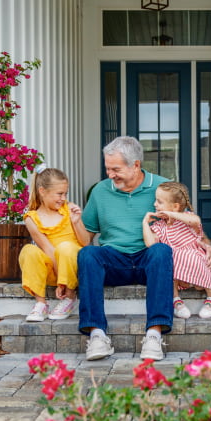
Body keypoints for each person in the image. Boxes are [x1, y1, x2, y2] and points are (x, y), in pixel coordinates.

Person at [78, 136, 174, 362]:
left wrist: (204, 246)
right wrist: (75, 221)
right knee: (88, 254)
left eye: (116, 169)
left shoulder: (163, 187)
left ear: (136, 165)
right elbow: (86, 239)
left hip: (147, 259)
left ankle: (154, 334)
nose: (110, 174)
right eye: (108, 168)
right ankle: (97, 334)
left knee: (162, 251)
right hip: (114, 260)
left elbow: (187, 224)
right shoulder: (100, 191)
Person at [19, 165, 90, 322]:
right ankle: (41, 304)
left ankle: (69, 298)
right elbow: (48, 250)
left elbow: (86, 243)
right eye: (59, 194)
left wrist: (76, 222)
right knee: (28, 250)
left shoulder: (68, 210)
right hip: (54, 268)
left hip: (73, 269)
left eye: (65, 193)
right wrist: (59, 281)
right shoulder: (32, 218)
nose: (63, 198)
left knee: (65, 247)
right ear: (42, 191)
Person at [143, 181, 211, 320]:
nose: (155, 204)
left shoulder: (187, 219)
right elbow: (150, 244)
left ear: (175, 206)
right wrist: (145, 223)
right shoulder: (160, 226)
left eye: (159, 202)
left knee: (193, 256)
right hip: (177, 269)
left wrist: (170, 214)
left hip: (194, 261)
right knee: (167, 262)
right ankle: (176, 300)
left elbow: (195, 221)